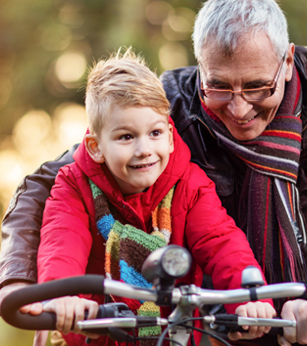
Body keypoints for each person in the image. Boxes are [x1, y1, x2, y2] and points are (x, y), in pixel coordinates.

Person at [0, 1, 307, 345]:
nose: (238, 107)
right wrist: (19, 282)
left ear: (287, 63)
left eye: (257, 87)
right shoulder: (166, 110)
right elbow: (51, 183)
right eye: (219, 86)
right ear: (200, 69)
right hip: (218, 324)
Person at [35, 50, 275, 346]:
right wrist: (61, 295)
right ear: (95, 147)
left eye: (155, 132)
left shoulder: (190, 185)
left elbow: (222, 242)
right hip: (96, 335)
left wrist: (249, 297)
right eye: (126, 136)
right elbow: (61, 242)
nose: (144, 149)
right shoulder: (74, 186)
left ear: (171, 137)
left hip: (172, 335)